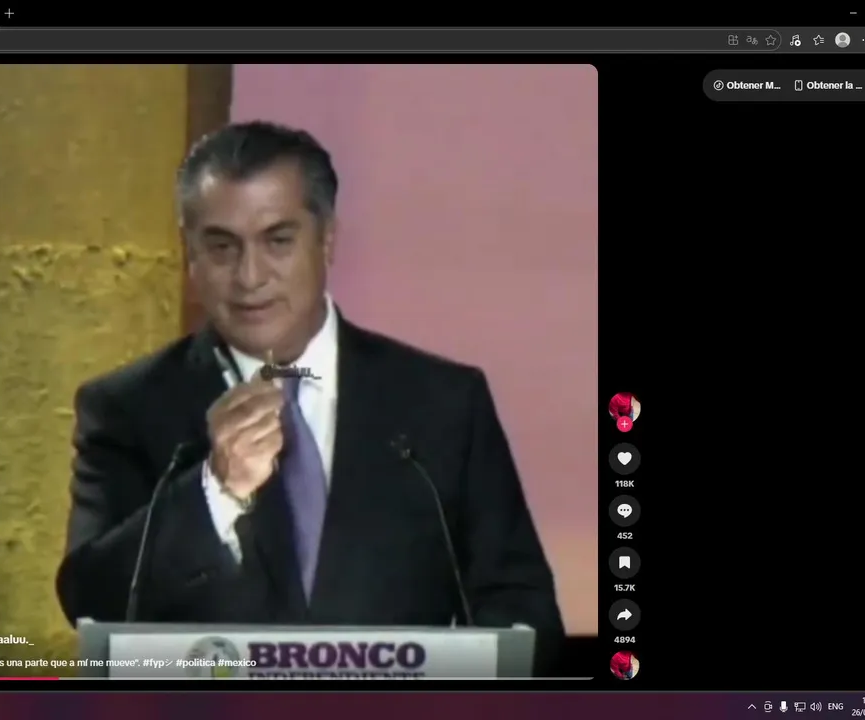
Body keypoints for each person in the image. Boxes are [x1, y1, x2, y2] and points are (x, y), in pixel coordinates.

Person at [56, 121, 564, 665]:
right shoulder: (127, 409)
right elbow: (93, 603)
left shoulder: (443, 404)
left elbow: (522, 614)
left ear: (326, 241)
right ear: (190, 256)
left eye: (278, 241)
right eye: (222, 247)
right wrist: (215, 492)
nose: (250, 277)